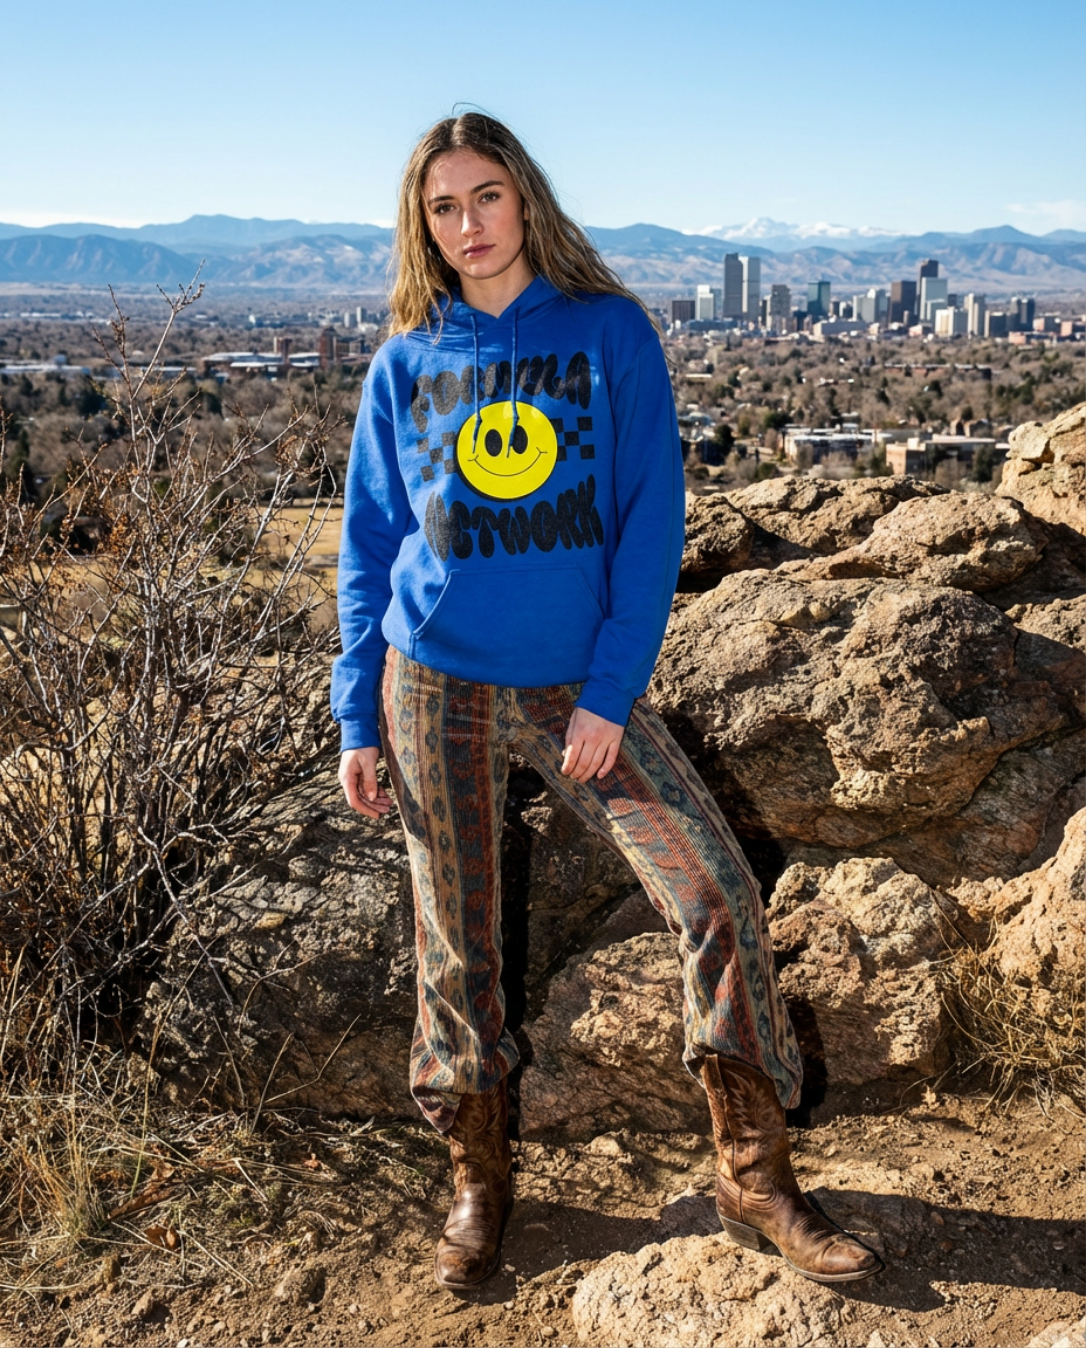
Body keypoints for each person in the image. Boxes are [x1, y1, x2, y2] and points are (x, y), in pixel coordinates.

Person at [332, 112, 881, 1291]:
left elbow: (650, 522)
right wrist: (354, 712)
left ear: (525, 200)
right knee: (454, 945)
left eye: (486, 196)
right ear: (420, 225)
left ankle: (754, 1170)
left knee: (717, 888)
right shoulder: (406, 362)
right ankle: (479, 1178)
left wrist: (608, 692)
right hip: (432, 685)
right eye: (443, 206)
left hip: (578, 685)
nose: (467, 224)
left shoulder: (608, 334)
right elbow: (369, 545)